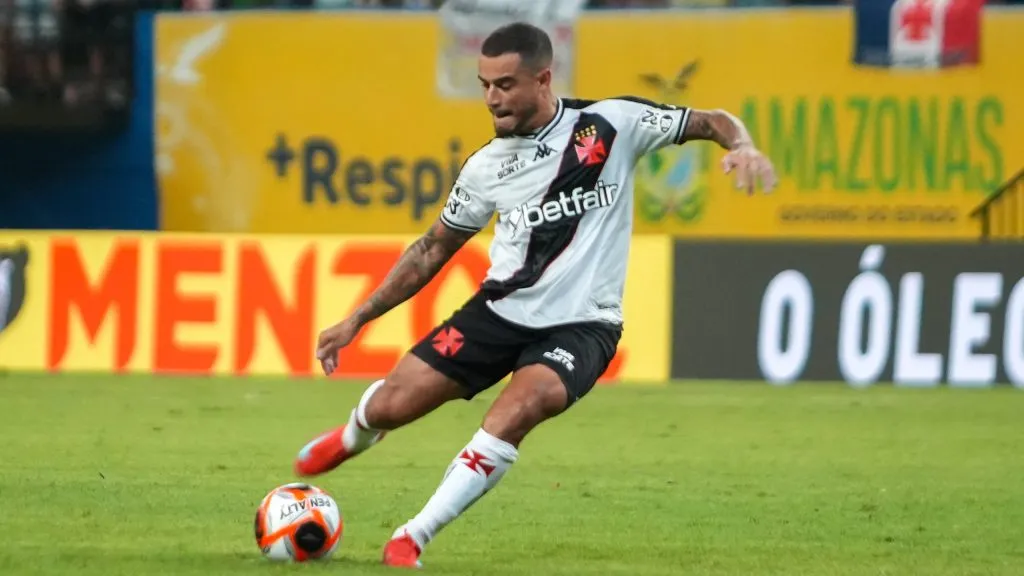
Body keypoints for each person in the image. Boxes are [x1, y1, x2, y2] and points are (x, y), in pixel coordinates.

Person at [293, 21, 777, 568]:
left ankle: (413, 536)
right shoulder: (486, 167)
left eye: (505, 84)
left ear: (543, 79)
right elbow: (431, 249)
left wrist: (743, 145)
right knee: (392, 405)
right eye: (484, 85)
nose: (492, 98)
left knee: (521, 407)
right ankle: (354, 436)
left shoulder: (611, 125)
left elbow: (710, 120)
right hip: (500, 312)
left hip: (584, 324)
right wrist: (356, 319)